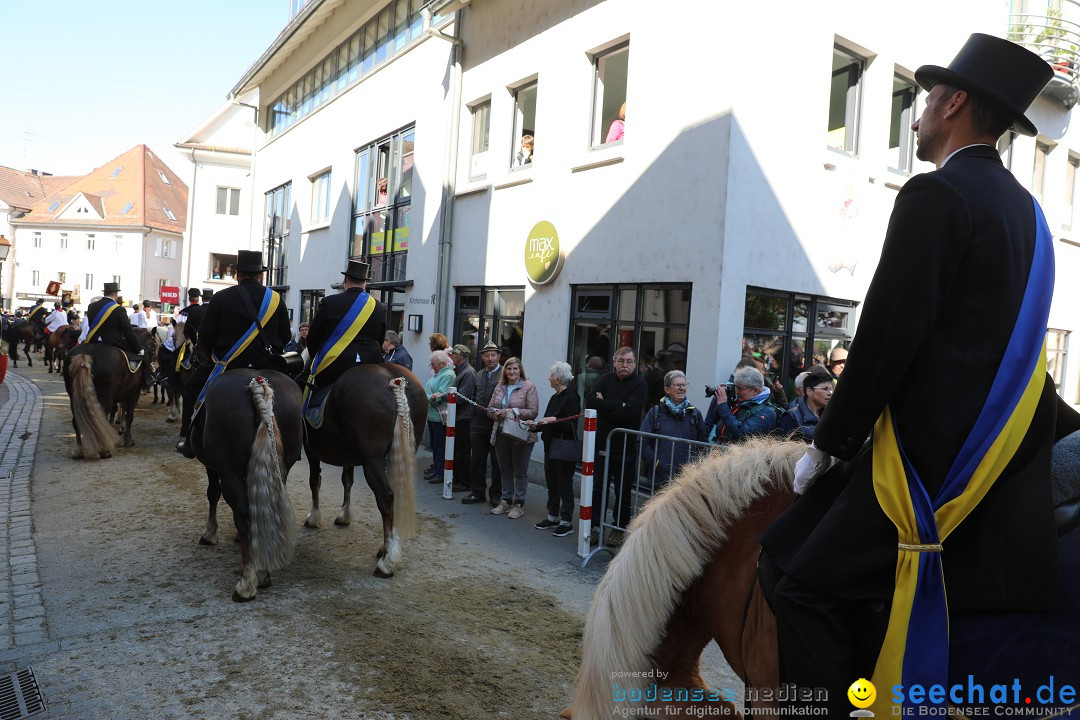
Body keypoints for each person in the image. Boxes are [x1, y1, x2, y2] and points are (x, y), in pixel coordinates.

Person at [758, 35, 1080, 715]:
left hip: (929, 461)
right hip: (1000, 447)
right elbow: (1013, 353)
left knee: (797, 585)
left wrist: (830, 444)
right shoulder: (1029, 214)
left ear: (955, 103)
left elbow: (886, 336)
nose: (917, 114)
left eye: (926, 99)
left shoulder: (935, 195)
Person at [176, 250, 291, 457]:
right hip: (266, 365)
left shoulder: (221, 298)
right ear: (261, 275)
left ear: (238, 274)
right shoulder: (275, 299)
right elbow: (284, 338)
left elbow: (207, 337)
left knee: (192, 388)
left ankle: (187, 439)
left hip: (228, 365)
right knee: (293, 393)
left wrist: (213, 360)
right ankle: (295, 446)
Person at [586, 347, 647, 533]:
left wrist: (604, 406)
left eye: (629, 361)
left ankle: (618, 529)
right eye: (621, 361)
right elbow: (590, 402)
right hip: (603, 446)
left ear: (635, 364)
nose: (624, 365)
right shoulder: (605, 379)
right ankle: (595, 527)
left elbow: (631, 413)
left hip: (625, 449)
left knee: (622, 492)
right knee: (598, 489)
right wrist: (618, 405)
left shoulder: (639, 385)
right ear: (614, 362)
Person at [304, 260, 386, 398]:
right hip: (371, 362)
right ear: (365, 283)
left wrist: (316, 360)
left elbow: (313, 338)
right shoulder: (379, 307)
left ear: (345, 280)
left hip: (335, 363)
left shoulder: (329, 302)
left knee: (303, 387)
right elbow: (380, 338)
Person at [486, 356, 539, 519]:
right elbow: (489, 409)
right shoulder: (500, 386)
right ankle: (506, 500)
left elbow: (533, 411)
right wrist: (496, 414)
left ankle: (519, 504)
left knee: (520, 471)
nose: (512, 372)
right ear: (505, 371)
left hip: (520, 434)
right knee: (505, 470)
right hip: (501, 433)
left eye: (515, 369)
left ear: (520, 370)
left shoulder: (528, 387)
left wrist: (511, 411)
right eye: (509, 369)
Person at [532, 361, 580, 537]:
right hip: (550, 446)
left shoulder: (572, 398)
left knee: (564, 484)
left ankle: (566, 521)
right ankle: (552, 516)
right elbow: (546, 420)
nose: (549, 378)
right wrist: (535, 426)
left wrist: (553, 420)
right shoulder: (555, 397)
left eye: (551, 376)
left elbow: (570, 425)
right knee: (552, 483)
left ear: (558, 379)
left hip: (563, 449)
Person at [639, 370, 707, 490]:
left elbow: (703, 445)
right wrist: (656, 462)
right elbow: (642, 440)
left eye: (684, 385)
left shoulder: (695, 414)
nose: (682, 388)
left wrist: (695, 465)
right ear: (667, 390)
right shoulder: (655, 413)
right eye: (677, 385)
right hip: (660, 477)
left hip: (687, 478)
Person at [82, 282, 151, 390]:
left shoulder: (91, 306)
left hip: (93, 339)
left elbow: (92, 324)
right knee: (144, 353)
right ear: (115, 294)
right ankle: (147, 380)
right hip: (112, 341)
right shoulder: (118, 309)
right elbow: (127, 331)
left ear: (105, 293)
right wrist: (138, 348)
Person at [462, 341, 504, 506]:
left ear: (499, 356)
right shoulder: (479, 374)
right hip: (478, 422)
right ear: (482, 357)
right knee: (477, 459)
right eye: (487, 355)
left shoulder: (504, 374)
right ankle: (477, 492)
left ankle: (496, 494)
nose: (490, 358)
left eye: (493, 355)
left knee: (496, 462)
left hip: (495, 423)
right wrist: (473, 416)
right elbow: (472, 396)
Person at [705, 366, 778, 445]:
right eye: (735, 387)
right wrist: (727, 401)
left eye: (739, 388)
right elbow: (716, 421)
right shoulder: (742, 402)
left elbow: (742, 435)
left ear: (755, 390)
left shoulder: (766, 412)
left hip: (743, 456)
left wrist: (723, 406)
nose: (736, 391)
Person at [425, 350, 456, 486]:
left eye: (433, 364)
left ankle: (440, 473)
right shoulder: (439, 373)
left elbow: (440, 395)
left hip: (439, 416)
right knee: (434, 445)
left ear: (442, 363)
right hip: (432, 415)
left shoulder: (448, 375)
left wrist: (425, 397)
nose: (431, 367)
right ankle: (437, 470)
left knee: (439, 446)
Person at [776, 366, 832, 442]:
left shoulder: (831, 416)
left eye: (831, 389)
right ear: (809, 391)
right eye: (824, 389)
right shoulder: (791, 417)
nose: (829, 393)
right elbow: (783, 449)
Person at [449, 344, 477, 493]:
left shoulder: (468, 373)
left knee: (462, 451)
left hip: (464, 418)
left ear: (459, 356)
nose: (451, 357)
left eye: (453, 354)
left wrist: (448, 397)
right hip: (460, 416)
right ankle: (460, 479)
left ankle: (465, 482)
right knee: (458, 450)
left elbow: (462, 398)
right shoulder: (463, 371)